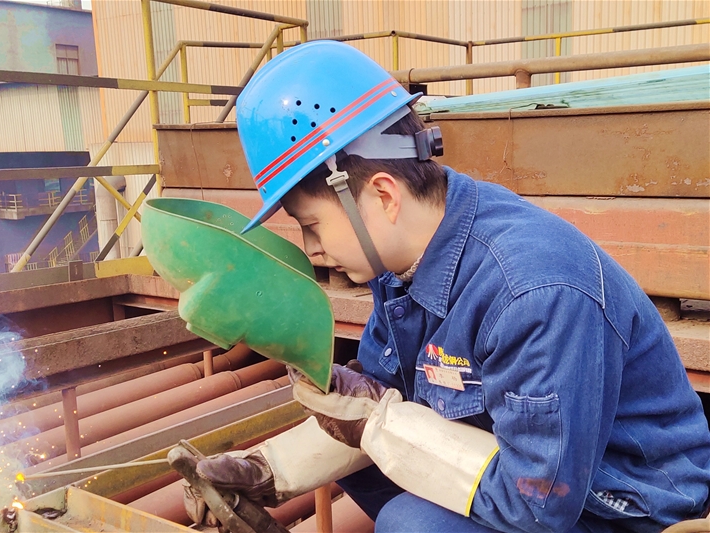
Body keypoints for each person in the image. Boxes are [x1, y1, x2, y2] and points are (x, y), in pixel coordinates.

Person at [182, 40, 710, 533]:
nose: (312, 250)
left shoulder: (532, 292)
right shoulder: (404, 261)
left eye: (312, 226)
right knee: (365, 458)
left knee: (410, 521)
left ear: (382, 196)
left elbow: (540, 501)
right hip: (530, 462)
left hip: (621, 501)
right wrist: (268, 470)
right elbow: (386, 399)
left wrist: (377, 424)